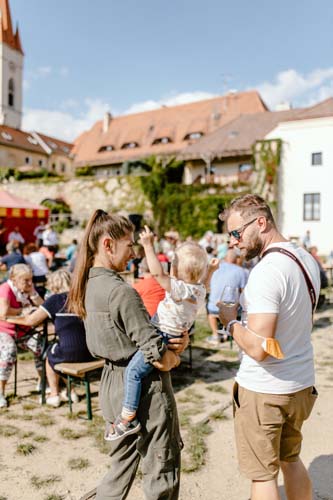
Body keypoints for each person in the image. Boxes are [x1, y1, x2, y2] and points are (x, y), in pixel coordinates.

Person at [67, 209, 188, 500]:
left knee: (119, 468)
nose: (133, 253)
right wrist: (177, 353)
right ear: (108, 245)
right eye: (129, 244)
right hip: (145, 390)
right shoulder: (121, 291)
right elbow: (157, 354)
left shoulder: (87, 285)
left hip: (110, 385)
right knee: (162, 468)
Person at [218, 194, 320, 500]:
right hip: (300, 383)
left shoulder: (266, 271)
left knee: (263, 478)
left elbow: (261, 348)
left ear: (260, 223)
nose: (233, 242)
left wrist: (230, 322)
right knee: (291, 460)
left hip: (265, 389)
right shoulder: (304, 258)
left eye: (236, 233)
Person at [108, 226, 218, 441]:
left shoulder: (179, 289)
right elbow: (204, 283)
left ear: (175, 271)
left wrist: (148, 245)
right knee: (142, 370)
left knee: (133, 373)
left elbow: (157, 273)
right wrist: (211, 272)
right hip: (170, 335)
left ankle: (127, 418)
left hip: (161, 335)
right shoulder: (199, 291)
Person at [6, 269, 94, 408]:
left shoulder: (56, 299)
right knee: (60, 350)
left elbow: (31, 321)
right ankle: (71, 391)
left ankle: (54, 394)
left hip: (70, 351)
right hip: (90, 351)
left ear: (54, 284)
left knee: (49, 355)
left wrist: (9, 318)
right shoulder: (82, 298)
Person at [0, 263, 43, 408]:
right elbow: (3, 312)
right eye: (26, 280)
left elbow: (43, 307)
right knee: (9, 352)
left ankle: (42, 382)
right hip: (5, 330)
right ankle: (1, 391)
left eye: (31, 279)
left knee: (42, 346)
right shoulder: (5, 289)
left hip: (24, 330)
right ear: (14, 279)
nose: (30, 283)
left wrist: (34, 295)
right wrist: (22, 310)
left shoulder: (28, 288)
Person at [206, 248, 247, 345]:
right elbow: (244, 292)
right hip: (232, 308)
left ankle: (215, 335)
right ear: (237, 259)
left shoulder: (216, 268)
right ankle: (227, 333)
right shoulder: (241, 271)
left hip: (214, 306)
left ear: (224, 257)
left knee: (210, 309)